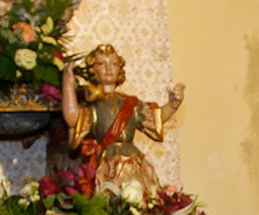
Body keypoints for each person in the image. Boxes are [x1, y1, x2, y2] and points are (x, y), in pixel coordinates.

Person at [61, 43, 184, 197]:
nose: (108, 68)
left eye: (113, 63)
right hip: (107, 165)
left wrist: (172, 105)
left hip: (133, 162)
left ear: (120, 68)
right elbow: (73, 118)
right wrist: (68, 85)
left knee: (141, 200)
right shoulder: (94, 106)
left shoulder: (130, 103)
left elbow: (155, 118)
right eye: (101, 64)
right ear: (93, 69)